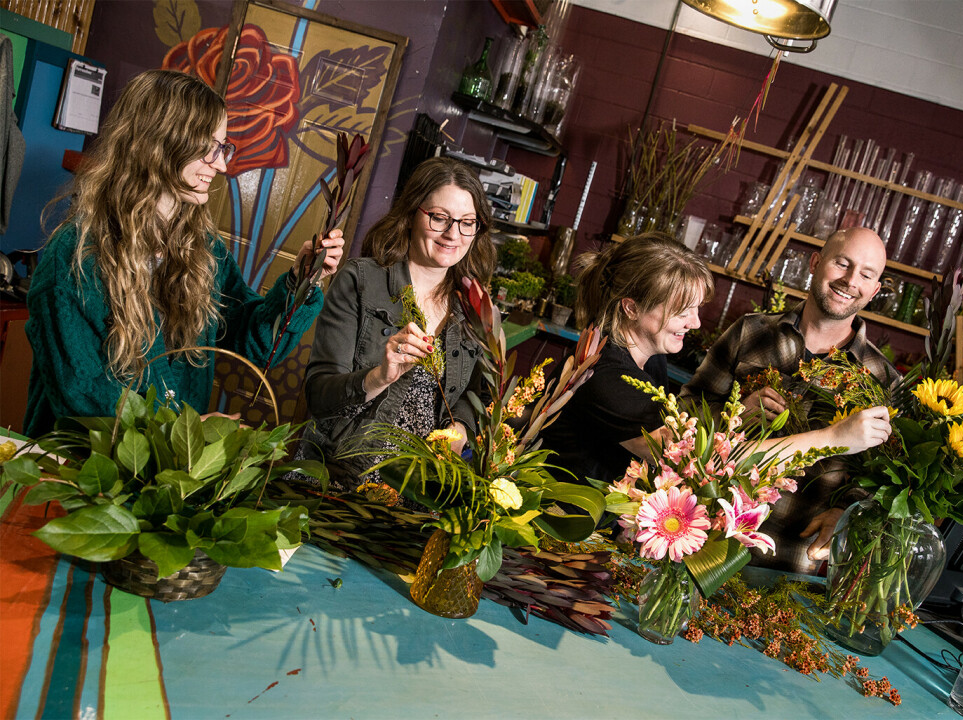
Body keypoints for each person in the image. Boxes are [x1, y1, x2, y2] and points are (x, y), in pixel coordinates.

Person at [23, 69, 344, 436]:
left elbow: (250, 340)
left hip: (163, 479)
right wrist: (179, 434)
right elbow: (81, 399)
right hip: (80, 480)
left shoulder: (202, 250)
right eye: (209, 147)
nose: (222, 164)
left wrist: (301, 282)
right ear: (157, 143)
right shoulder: (76, 256)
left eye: (223, 147)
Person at [540, 232, 892, 500]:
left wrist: (735, 414)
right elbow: (702, 459)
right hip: (552, 526)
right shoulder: (608, 376)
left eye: (696, 309)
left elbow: (684, 429)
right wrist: (832, 439)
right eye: (682, 311)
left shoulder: (651, 360)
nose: (694, 324)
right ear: (631, 307)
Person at [682, 226, 900, 574]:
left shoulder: (882, 380)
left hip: (790, 562)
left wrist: (847, 510)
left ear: (874, 290)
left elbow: (881, 478)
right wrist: (734, 414)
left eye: (866, 274)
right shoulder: (750, 332)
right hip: (702, 542)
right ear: (815, 262)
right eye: (842, 263)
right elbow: (686, 413)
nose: (850, 280)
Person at [297, 157, 496, 490]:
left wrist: (460, 428)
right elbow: (318, 397)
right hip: (341, 480)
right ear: (411, 214)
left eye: (467, 222)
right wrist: (378, 377)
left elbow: (471, 394)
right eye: (439, 218)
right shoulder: (361, 281)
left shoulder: (472, 306)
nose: (453, 234)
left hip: (420, 491)